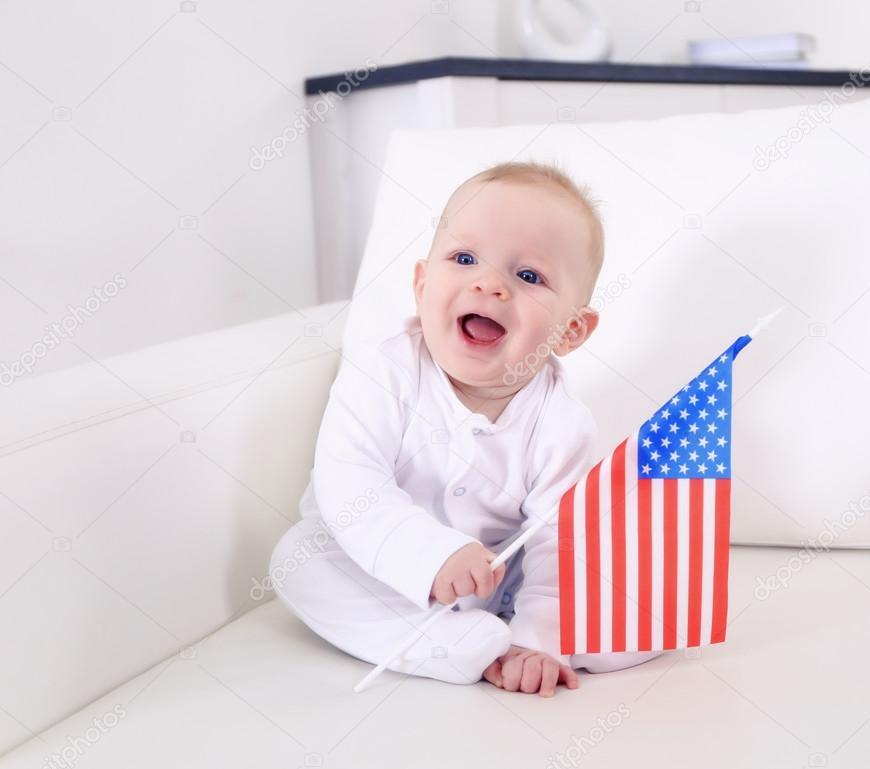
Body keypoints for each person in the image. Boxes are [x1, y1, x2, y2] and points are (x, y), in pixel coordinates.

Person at [269, 161, 662, 697]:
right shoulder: (383, 372)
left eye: (528, 277)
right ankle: (455, 646)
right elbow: (351, 487)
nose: (488, 283)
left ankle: (524, 643)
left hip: (498, 578)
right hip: (372, 561)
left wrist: (537, 636)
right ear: (422, 284)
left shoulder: (563, 422)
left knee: (619, 591)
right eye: (464, 258)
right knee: (298, 560)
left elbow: (553, 540)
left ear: (572, 330)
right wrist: (429, 555)